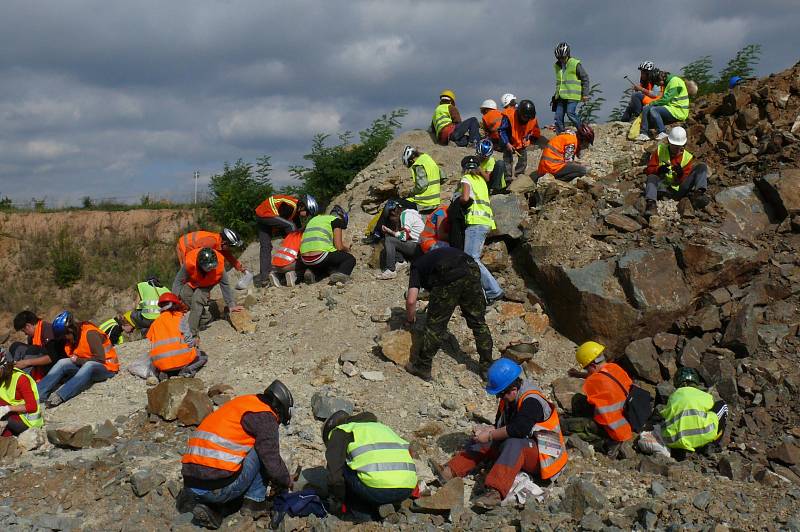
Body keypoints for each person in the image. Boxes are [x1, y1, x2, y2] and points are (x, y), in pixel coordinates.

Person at [432, 359, 567, 509]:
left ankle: (496, 492)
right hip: (525, 448)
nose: (499, 398)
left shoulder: (531, 401)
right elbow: (500, 427)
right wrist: (487, 432)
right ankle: (450, 471)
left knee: (513, 443)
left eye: (501, 394)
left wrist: (490, 435)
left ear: (513, 388)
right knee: (486, 440)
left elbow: (519, 429)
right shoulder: (508, 400)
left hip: (546, 458)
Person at [177, 380, 294, 529]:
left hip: (190, 483)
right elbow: (271, 460)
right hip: (215, 489)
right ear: (279, 409)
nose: (277, 423)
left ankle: (206, 502)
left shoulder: (245, 403)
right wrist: (286, 480)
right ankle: (254, 503)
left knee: (246, 448)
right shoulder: (266, 417)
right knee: (261, 450)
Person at [404, 246, 493, 382]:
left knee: (435, 326)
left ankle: (422, 366)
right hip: (471, 268)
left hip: (448, 273)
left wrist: (410, 320)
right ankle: (487, 368)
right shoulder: (439, 253)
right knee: (478, 322)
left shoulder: (417, 265)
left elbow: (411, 301)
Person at [322, 410, 417, 518]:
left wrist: (337, 501)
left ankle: (358, 514)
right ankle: (384, 507)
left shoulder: (340, 431)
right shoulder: (383, 428)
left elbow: (335, 476)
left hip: (377, 490)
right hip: (407, 489)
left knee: (343, 465)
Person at [638, 368, 728, 458]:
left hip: (673, 440)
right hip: (703, 435)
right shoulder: (705, 396)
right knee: (722, 406)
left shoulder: (673, 397)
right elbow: (711, 407)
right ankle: (712, 445)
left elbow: (664, 415)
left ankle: (677, 449)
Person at [36, 311, 119, 408]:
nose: (65, 339)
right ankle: (37, 394)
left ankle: (60, 396)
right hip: (86, 367)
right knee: (62, 362)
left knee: (89, 365)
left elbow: (100, 360)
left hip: (107, 367)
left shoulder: (90, 334)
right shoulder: (73, 337)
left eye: (65, 335)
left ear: (71, 330)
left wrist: (78, 361)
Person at [566, 341, 634, 447]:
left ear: (592, 365)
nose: (586, 370)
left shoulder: (594, 382)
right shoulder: (615, 368)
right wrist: (578, 374)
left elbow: (600, 413)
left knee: (567, 426)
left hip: (615, 430)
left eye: (586, 368)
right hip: (627, 415)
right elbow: (601, 375)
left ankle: (603, 442)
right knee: (578, 400)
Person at [459, 156, 503, 302]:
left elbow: (465, 198)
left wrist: (457, 200)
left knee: (472, 258)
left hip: (475, 222)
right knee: (472, 258)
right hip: (486, 221)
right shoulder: (482, 181)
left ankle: (493, 290)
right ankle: (485, 291)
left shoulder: (466, 178)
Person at [172, 248, 244, 336]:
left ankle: (192, 333)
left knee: (197, 299)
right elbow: (178, 281)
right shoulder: (189, 263)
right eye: (208, 267)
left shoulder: (219, 267)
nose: (211, 269)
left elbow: (225, 285)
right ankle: (207, 318)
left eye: (213, 266)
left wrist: (231, 305)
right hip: (194, 281)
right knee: (184, 294)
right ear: (200, 264)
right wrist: (174, 300)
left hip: (208, 283)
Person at [643, 126, 709, 217]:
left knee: (702, 167)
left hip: (679, 191)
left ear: (684, 144)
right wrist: (658, 169)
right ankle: (651, 205)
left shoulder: (687, 157)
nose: (676, 148)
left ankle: (698, 195)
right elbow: (648, 170)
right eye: (674, 145)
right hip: (662, 187)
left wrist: (680, 174)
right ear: (669, 142)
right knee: (651, 177)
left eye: (679, 146)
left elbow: (685, 181)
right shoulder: (660, 150)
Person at [254, 194, 318, 288]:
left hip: (261, 215)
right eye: (307, 213)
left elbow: (297, 229)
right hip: (266, 213)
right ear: (303, 206)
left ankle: (264, 278)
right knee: (290, 227)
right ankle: (293, 259)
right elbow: (285, 227)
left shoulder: (295, 210)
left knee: (265, 247)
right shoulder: (290, 206)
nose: (306, 216)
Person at [147, 293, 208, 380]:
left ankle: (165, 373)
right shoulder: (179, 318)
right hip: (181, 361)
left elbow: (152, 344)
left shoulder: (154, 323)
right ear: (175, 305)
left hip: (161, 364)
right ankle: (186, 371)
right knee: (203, 356)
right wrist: (195, 343)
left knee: (163, 362)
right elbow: (189, 341)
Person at [297, 205, 355, 285]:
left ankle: (312, 272)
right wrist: (347, 250)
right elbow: (339, 247)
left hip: (305, 259)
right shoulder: (336, 220)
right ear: (342, 218)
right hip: (320, 256)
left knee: (325, 263)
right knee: (349, 259)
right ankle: (341, 275)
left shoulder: (314, 219)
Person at [636, 69, 690, 141]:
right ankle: (644, 134)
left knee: (653, 109)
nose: (658, 85)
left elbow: (665, 100)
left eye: (657, 83)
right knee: (646, 108)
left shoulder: (675, 81)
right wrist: (649, 105)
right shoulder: (668, 82)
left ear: (660, 79)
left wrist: (651, 103)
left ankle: (662, 132)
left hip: (679, 111)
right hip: (671, 108)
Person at [0, 348, 43, 437]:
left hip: (27, 423)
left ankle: (7, 438)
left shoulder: (21, 379)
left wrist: (7, 409)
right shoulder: (2, 377)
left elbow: (32, 407)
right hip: (15, 415)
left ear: (3, 366)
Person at [376, 201, 424, 280]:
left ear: (394, 212)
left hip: (418, 247)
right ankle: (401, 262)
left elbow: (404, 236)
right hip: (417, 246)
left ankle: (391, 270)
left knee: (389, 240)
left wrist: (390, 231)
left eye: (391, 217)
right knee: (392, 239)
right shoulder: (409, 214)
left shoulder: (405, 216)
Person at [552, 42, 589, 134]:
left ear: (567, 54)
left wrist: (585, 94)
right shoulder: (557, 66)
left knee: (570, 114)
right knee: (558, 117)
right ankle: (561, 134)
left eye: (563, 57)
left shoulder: (575, 64)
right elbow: (560, 83)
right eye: (559, 58)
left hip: (573, 96)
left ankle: (582, 131)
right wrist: (555, 96)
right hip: (561, 96)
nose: (561, 60)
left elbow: (585, 78)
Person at [11, 311, 59, 380]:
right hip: (39, 361)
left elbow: (52, 357)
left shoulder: (47, 329)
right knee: (16, 345)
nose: (25, 334)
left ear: (28, 326)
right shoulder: (31, 336)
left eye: (23, 331)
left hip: (52, 365)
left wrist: (26, 362)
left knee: (32, 350)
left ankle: (24, 380)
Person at [504, 99, 544, 178]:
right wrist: (507, 143)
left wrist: (528, 137)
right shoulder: (509, 117)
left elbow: (533, 132)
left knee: (523, 159)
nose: (526, 119)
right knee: (507, 160)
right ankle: (507, 178)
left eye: (528, 118)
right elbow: (502, 131)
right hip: (509, 140)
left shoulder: (532, 119)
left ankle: (519, 175)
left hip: (521, 142)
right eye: (525, 117)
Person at [176, 228, 246, 274]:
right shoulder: (211, 242)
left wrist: (240, 267)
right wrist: (187, 265)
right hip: (183, 247)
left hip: (191, 247)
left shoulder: (220, 243)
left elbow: (229, 256)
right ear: (224, 242)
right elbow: (189, 248)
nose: (231, 248)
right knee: (187, 273)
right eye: (231, 246)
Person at [401, 146, 442, 214]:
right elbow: (443, 177)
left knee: (395, 204)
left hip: (425, 202)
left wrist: (411, 192)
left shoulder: (418, 164)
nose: (412, 165)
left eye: (411, 163)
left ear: (411, 160)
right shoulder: (428, 158)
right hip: (435, 200)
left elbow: (421, 186)